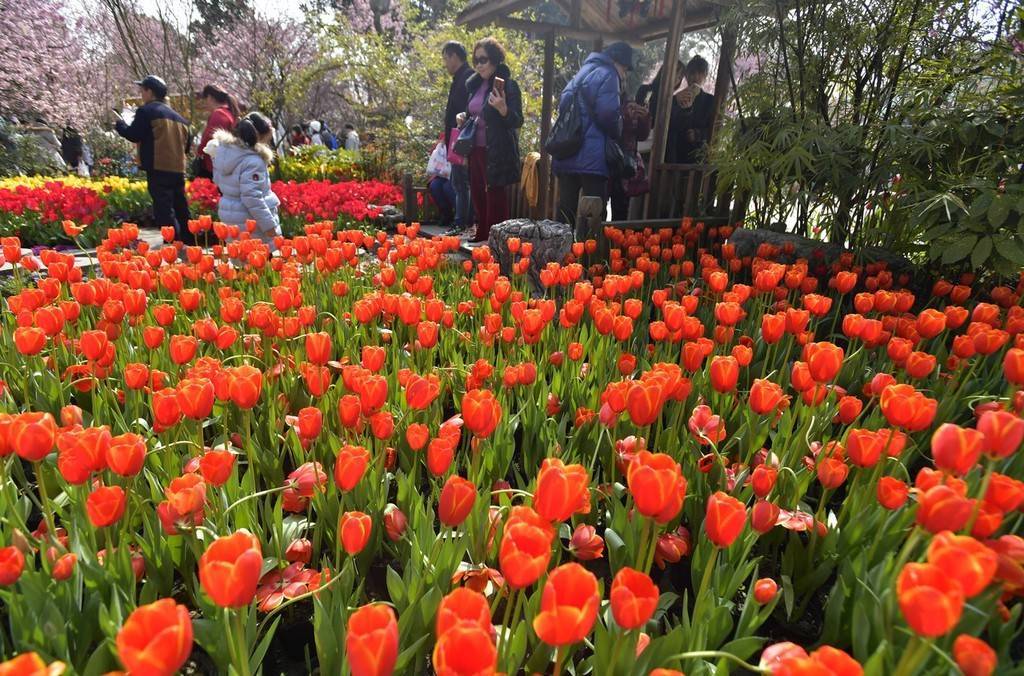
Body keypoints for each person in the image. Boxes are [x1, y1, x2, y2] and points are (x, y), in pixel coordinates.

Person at [552, 41, 631, 232]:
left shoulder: (581, 73)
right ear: (617, 62)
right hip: (592, 158)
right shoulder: (609, 74)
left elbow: (563, 106)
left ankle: (561, 256)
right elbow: (607, 113)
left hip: (567, 151)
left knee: (566, 214)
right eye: (625, 68)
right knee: (594, 214)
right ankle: (589, 259)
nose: (624, 74)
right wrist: (619, 127)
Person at [458, 36, 523, 243]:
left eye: (483, 59)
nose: (478, 64)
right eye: (476, 60)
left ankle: (497, 239)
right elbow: (475, 113)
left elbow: (517, 120)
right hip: (475, 147)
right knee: (477, 191)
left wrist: (503, 109)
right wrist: (463, 117)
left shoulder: (509, 86)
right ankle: (482, 233)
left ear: (495, 60)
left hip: (496, 149)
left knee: (494, 193)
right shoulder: (475, 86)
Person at [114, 75, 193, 244]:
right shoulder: (180, 119)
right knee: (181, 208)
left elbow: (133, 134)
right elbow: (186, 147)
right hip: (178, 168)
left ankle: (173, 244)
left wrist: (120, 124)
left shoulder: (146, 111)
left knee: (164, 209)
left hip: (158, 167)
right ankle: (189, 243)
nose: (141, 94)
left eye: (142, 90)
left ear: (150, 91)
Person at [204, 112, 282, 249]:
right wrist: (269, 226)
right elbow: (252, 197)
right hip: (251, 224)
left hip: (231, 218)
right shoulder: (253, 161)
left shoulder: (224, 153)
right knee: (259, 264)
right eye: (268, 138)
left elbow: (218, 181)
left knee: (241, 264)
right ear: (260, 136)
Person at [441, 40, 474, 235]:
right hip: (457, 140)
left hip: (463, 141)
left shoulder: (468, 78)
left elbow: (468, 111)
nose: (445, 64)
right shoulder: (460, 78)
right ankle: (462, 222)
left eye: (446, 58)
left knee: (461, 183)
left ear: (454, 57)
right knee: (458, 182)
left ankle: (461, 223)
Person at [609, 96, 650, 221]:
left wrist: (644, 119)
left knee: (621, 206)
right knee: (601, 203)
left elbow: (642, 135)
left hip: (626, 164)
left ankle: (616, 237)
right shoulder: (611, 104)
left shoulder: (632, 106)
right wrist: (626, 116)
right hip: (610, 158)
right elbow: (614, 129)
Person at [672, 55, 715, 164]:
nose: (695, 77)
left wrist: (698, 134)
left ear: (705, 75)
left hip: (700, 157)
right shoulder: (676, 98)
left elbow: (716, 128)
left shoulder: (711, 101)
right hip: (676, 155)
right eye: (692, 73)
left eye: (700, 73)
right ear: (686, 76)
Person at [196, 84, 240, 179]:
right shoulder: (228, 113)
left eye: (204, 99)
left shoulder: (218, 115)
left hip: (214, 167)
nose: (204, 103)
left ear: (210, 97)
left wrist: (199, 151)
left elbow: (208, 139)